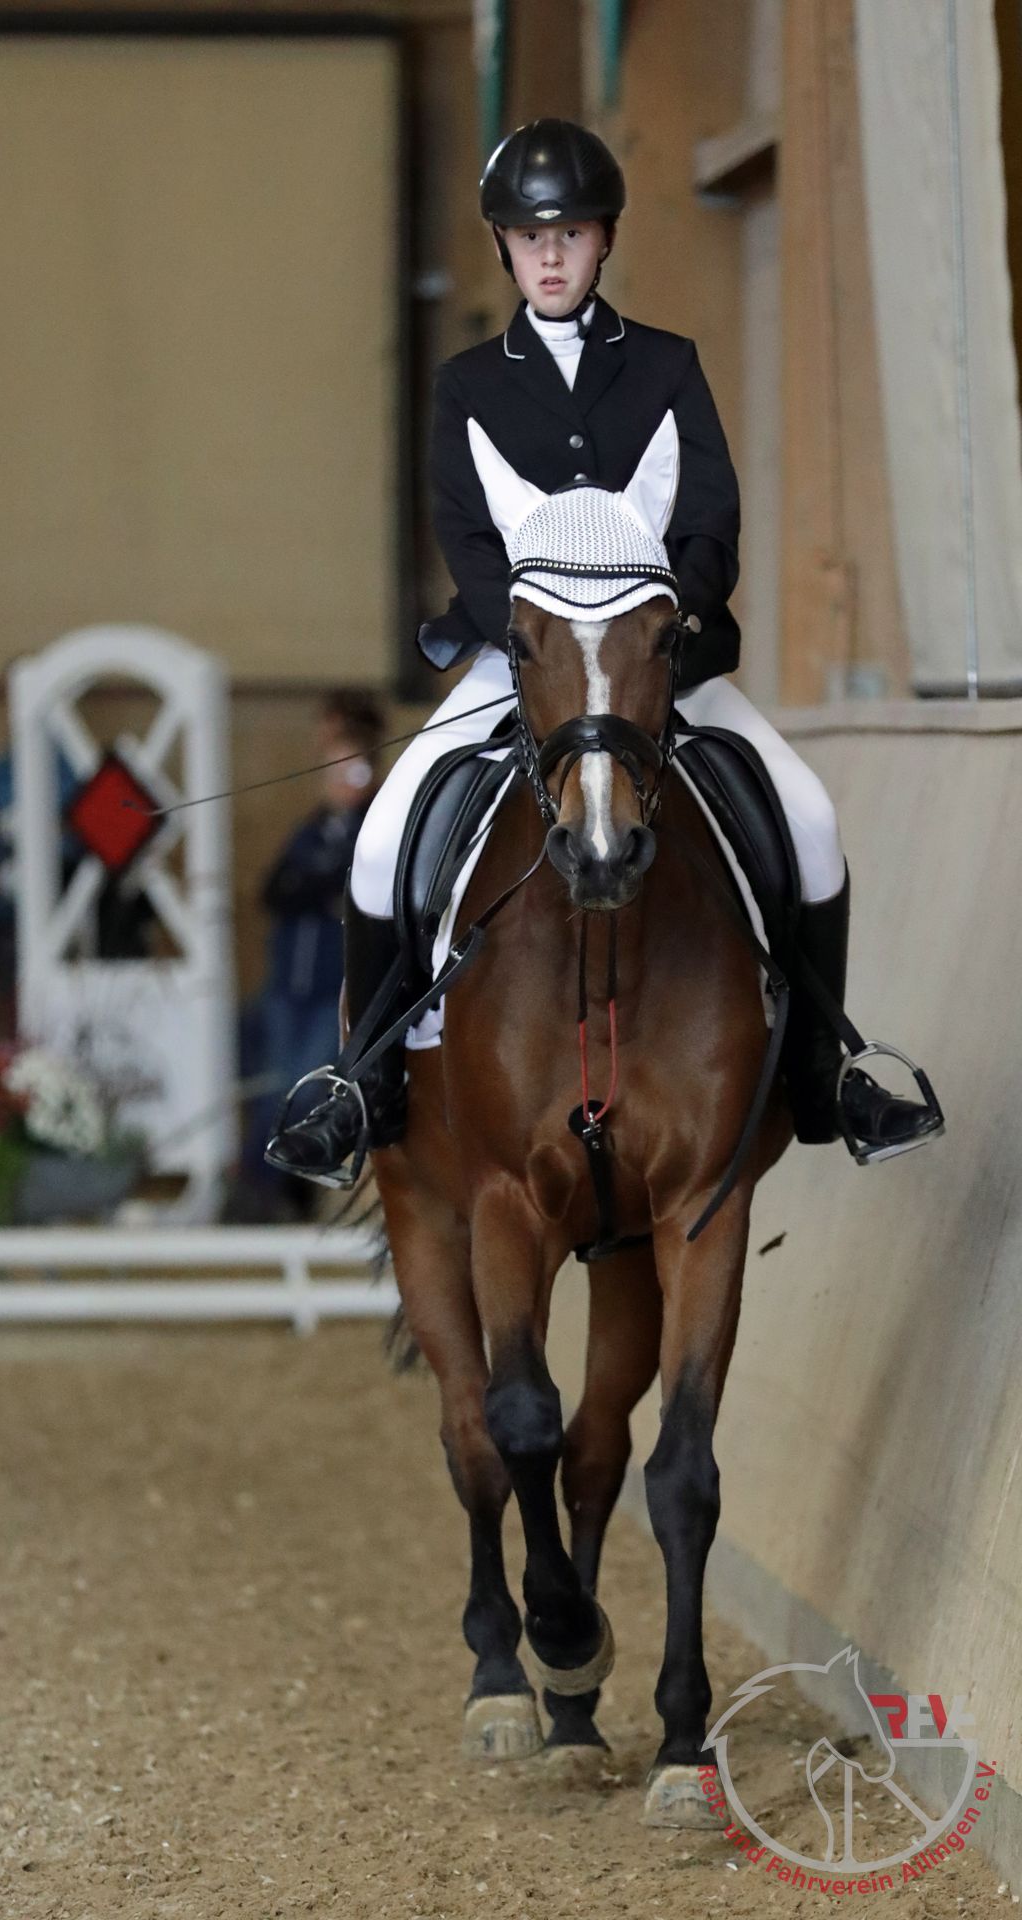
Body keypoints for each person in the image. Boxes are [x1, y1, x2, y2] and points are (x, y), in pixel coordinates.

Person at [266, 118, 941, 1187]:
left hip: (653, 666)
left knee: (809, 820)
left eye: (571, 234)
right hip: (520, 664)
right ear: (502, 245)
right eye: (529, 236)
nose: (550, 256)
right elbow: (465, 536)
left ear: (604, 240)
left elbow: (709, 520)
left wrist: (660, 625)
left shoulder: (666, 365)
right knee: (379, 840)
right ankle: (365, 1083)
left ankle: (827, 1073)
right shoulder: (468, 384)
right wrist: (530, 634)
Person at [226, 692, 384, 1220]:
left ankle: (265, 1185)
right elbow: (276, 890)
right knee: (273, 1082)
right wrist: (314, 886)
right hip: (288, 985)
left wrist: (313, 885)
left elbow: (344, 886)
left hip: (330, 989)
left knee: (303, 1086)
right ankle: (269, 1186)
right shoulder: (312, 829)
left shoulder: (371, 826)